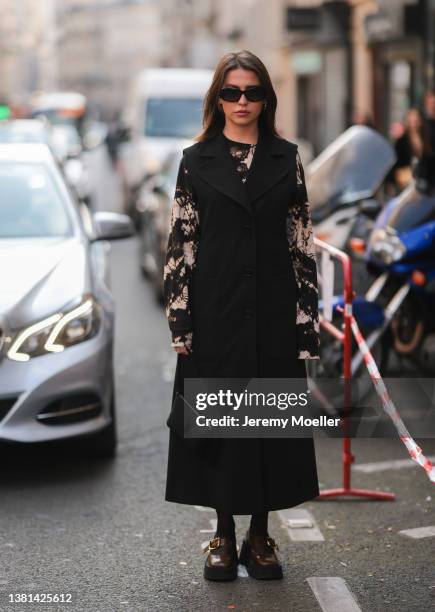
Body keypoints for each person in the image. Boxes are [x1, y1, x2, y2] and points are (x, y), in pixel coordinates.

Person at [163, 50, 320, 582]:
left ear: (267, 98)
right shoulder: (195, 159)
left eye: (252, 92)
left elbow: (301, 242)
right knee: (222, 427)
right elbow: (181, 242)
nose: (242, 102)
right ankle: (224, 536)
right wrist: (180, 319)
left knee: (268, 426)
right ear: (218, 98)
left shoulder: (287, 157)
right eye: (231, 92)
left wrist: (307, 320)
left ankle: (260, 535)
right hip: (215, 311)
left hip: (274, 311)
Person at [385, 107, 433, 194]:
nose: (415, 121)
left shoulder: (426, 139)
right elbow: (394, 163)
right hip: (406, 185)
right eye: (412, 118)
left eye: (417, 118)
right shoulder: (402, 140)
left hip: (424, 185)